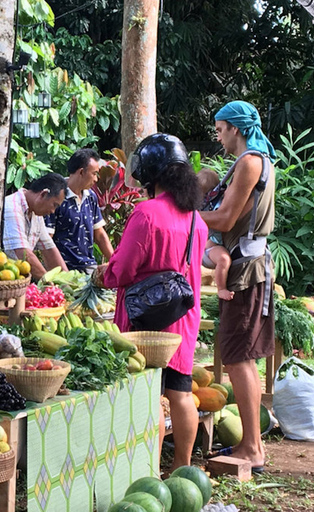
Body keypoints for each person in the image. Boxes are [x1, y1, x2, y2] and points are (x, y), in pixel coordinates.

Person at [101, 134, 208, 473]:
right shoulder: (196, 219)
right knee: (180, 394)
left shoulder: (146, 213)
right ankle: (183, 469)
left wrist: (101, 276)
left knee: (146, 397)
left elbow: (124, 268)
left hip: (147, 325)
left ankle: (146, 471)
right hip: (182, 321)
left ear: (150, 175)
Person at [199, 100, 276, 473]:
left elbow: (227, 218)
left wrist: (183, 216)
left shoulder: (250, 162)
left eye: (219, 128)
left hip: (247, 271)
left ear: (236, 128)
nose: (218, 135)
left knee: (237, 358)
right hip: (249, 267)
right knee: (240, 356)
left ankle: (252, 448)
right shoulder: (254, 161)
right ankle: (251, 442)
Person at [45, 148, 115, 273]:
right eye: (94, 173)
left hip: (89, 267)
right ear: (82, 172)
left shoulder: (91, 197)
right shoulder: (56, 197)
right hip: (62, 270)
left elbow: (99, 234)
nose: (96, 179)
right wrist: (62, 276)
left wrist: (116, 264)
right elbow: (46, 240)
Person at [3, 172, 68, 280]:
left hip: (19, 281)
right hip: (3, 282)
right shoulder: (12, 207)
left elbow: (49, 249)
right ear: (43, 194)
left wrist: (68, 280)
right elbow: (22, 252)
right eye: (54, 205)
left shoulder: (36, 214)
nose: (52, 211)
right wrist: (48, 283)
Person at [197, 168, 234, 300]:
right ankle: (221, 288)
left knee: (224, 259)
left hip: (211, 247)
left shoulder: (219, 203)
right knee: (224, 259)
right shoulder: (196, 205)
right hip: (205, 249)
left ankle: (221, 287)